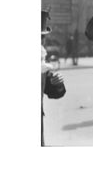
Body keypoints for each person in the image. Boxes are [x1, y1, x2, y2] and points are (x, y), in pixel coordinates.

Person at [41, 10, 66, 146]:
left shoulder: (41, 64)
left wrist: (57, 84)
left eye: (42, 38)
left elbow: (54, 92)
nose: (41, 42)